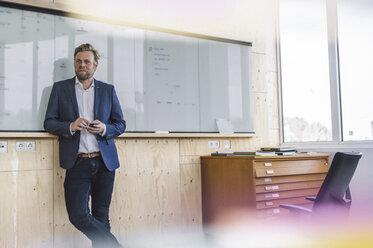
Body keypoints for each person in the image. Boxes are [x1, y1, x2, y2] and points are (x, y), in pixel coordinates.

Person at [44, 43, 125, 248]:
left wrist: (105, 128)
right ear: (75, 63)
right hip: (77, 163)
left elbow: (120, 124)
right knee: (78, 215)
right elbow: (49, 122)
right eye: (78, 61)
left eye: (86, 61)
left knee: (101, 216)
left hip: (105, 163)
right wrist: (70, 126)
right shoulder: (60, 89)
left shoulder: (108, 90)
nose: (82, 65)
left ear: (95, 65)